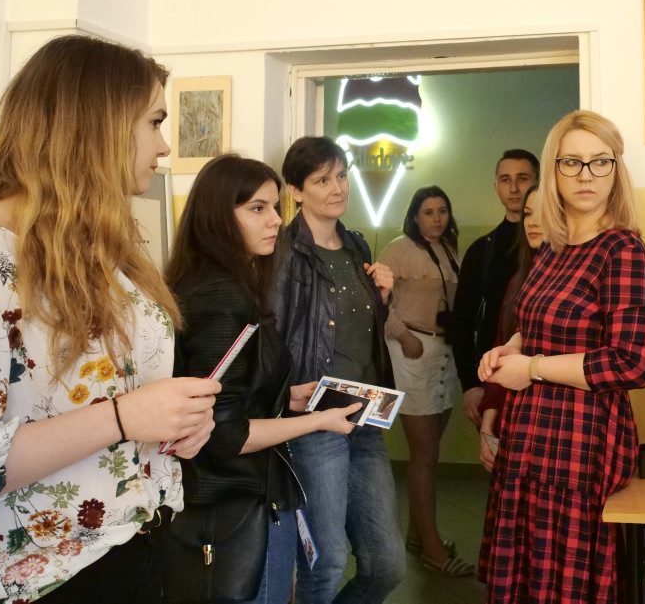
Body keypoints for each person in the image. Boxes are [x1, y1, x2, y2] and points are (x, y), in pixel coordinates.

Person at [0, 35, 219, 603]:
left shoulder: (101, 252)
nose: (164, 145)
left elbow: (105, 398)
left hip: (134, 545)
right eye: (155, 122)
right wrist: (125, 417)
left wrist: (174, 423)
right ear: (97, 125)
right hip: (33, 580)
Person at [478, 110, 645, 603]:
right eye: (572, 162)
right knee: (527, 578)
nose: (586, 175)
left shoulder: (621, 250)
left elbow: (636, 361)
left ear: (615, 171)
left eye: (600, 162)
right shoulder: (554, 248)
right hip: (529, 437)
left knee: (564, 585)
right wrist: (512, 347)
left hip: (580, 443)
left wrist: (532, 369)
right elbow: (541, 322)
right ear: (553, 171)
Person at [165, 155, 363, 604]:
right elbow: (224, 434)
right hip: (238, 499)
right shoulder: (222, 297)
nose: (275, 220)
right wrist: (318, 421)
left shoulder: (222, 283)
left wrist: (284, 398)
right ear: (217, 215)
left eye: (275, 207)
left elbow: (227, 394)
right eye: (257, 208)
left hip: (240, 494)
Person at [270, 136, 404, 604]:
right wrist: (284, 396)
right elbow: (271, 336)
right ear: (296, 191)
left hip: (364, 417)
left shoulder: (356, 244)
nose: (337, 188)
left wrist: (383, 298)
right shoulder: (283, 253)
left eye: (342, 175)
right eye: (322, 180)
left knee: (387, 565)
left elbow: (355, 330)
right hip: (315, 422)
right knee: (324, 563)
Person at [379, 186, 475, 576]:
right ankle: (434, 550)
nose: (436, 218)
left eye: (442, 211)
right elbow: (376, 302)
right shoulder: (398, 249)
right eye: (428, 212)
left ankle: (418, 536)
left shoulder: (451, 250)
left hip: (443, 353)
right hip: (412, 351)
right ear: (414, 217)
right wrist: (404, 336)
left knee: (431, 449)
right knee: (424, 453)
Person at [450, 149, 539, 426]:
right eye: (505, 179)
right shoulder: (482, 251)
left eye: (522, 178)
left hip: (546, 377)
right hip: (493, 378)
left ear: (538, 182)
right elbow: (462, 322)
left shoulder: (558, 246)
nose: (513, 188)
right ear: (496, 185)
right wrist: (470, 385)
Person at [477, 183, 543, 472]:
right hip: (510, 412)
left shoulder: (571, 282)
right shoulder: (519, 278)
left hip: (548, 417)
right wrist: (488, 420)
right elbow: (500, 345)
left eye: (543, 213)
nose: (534, 222)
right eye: (528, 214)